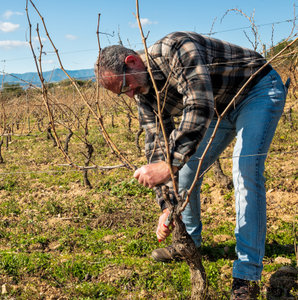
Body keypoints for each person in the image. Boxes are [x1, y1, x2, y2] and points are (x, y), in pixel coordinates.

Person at [95, 31, 287, 299]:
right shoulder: (144, 95)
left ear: (132, 61)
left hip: (257, 89)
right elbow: (156, 146)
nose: (129, 95)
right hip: (222, 107)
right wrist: (166, 205)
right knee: (185, 172)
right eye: (122, 93)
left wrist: (170, 164)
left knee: (245, 173)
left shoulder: (176, 48)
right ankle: (189, 245)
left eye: (126, 86)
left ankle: (246, 275)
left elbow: (199, 105)